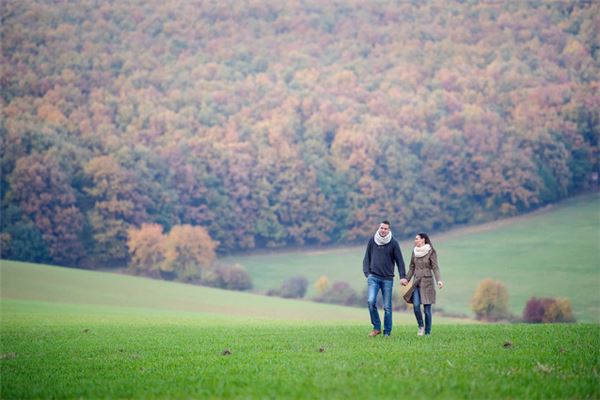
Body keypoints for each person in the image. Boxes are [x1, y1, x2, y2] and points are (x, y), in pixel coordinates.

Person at [362, 220, 406, 337]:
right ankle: (376, 328)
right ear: (379, 228)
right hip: (373, 277)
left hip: (387, 279)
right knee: (371, 301)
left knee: (387, 307)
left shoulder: (393, 243)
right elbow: (367, 257)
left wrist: (402, 276)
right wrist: (367, 273)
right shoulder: (372, 241)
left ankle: (387, 332)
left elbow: (400, 261)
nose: (383, 230)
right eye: (381, 228)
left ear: (389, 230)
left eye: (385, 228)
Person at [401, 233, 443, 336]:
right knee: (416, 306)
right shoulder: (414, 251)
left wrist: (439, 280)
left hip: (428, 282)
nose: (415, 241)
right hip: (416, 282)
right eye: (415, 239)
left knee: (427, 309)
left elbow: (435, 267)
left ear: (423, 239)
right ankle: (421, 326)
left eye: (417, 239)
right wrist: (407, 279)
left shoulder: (431, 251)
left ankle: (428, 332)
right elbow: (412, 267)